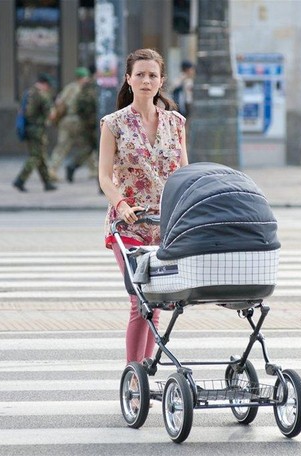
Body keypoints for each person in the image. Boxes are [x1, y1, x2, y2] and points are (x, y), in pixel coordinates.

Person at [99, 48, 188, 364]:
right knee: (141, 301)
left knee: (158, 303)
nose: (146, 80)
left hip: (166, 225)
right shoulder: (113, 124)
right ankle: (133, 378)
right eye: (140, 74)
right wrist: (121, 205)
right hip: (129, 224)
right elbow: (105, 177)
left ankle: (144, 374)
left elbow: (184, 174)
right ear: (128, 79)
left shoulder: (175, 122)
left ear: (161, 80)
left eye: (153, 75)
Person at [13, 73, 57, 192]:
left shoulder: (28, 93)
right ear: (44, 84)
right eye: (48, 86)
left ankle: (47, 183)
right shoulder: (43, 95)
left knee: (41, 155)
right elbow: (52, 114)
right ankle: (20, 180)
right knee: (35, 156)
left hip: (27, 128)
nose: (49, 88)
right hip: (38, 130)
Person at [47, 67, 90, 182]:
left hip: (66, 120)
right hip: (80, 121)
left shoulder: (69, 88)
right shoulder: (86, 89)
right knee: (88, 146)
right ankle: (94, 170)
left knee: (62, 146)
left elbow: (59, 102)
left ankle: (51, 170)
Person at [66, 63, 99, 188]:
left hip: (86, 122)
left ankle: (72, 166)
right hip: (93, 123)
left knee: (88, 149)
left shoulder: (86, 85)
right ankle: (102, 181)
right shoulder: (95, 87)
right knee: (100, 150)